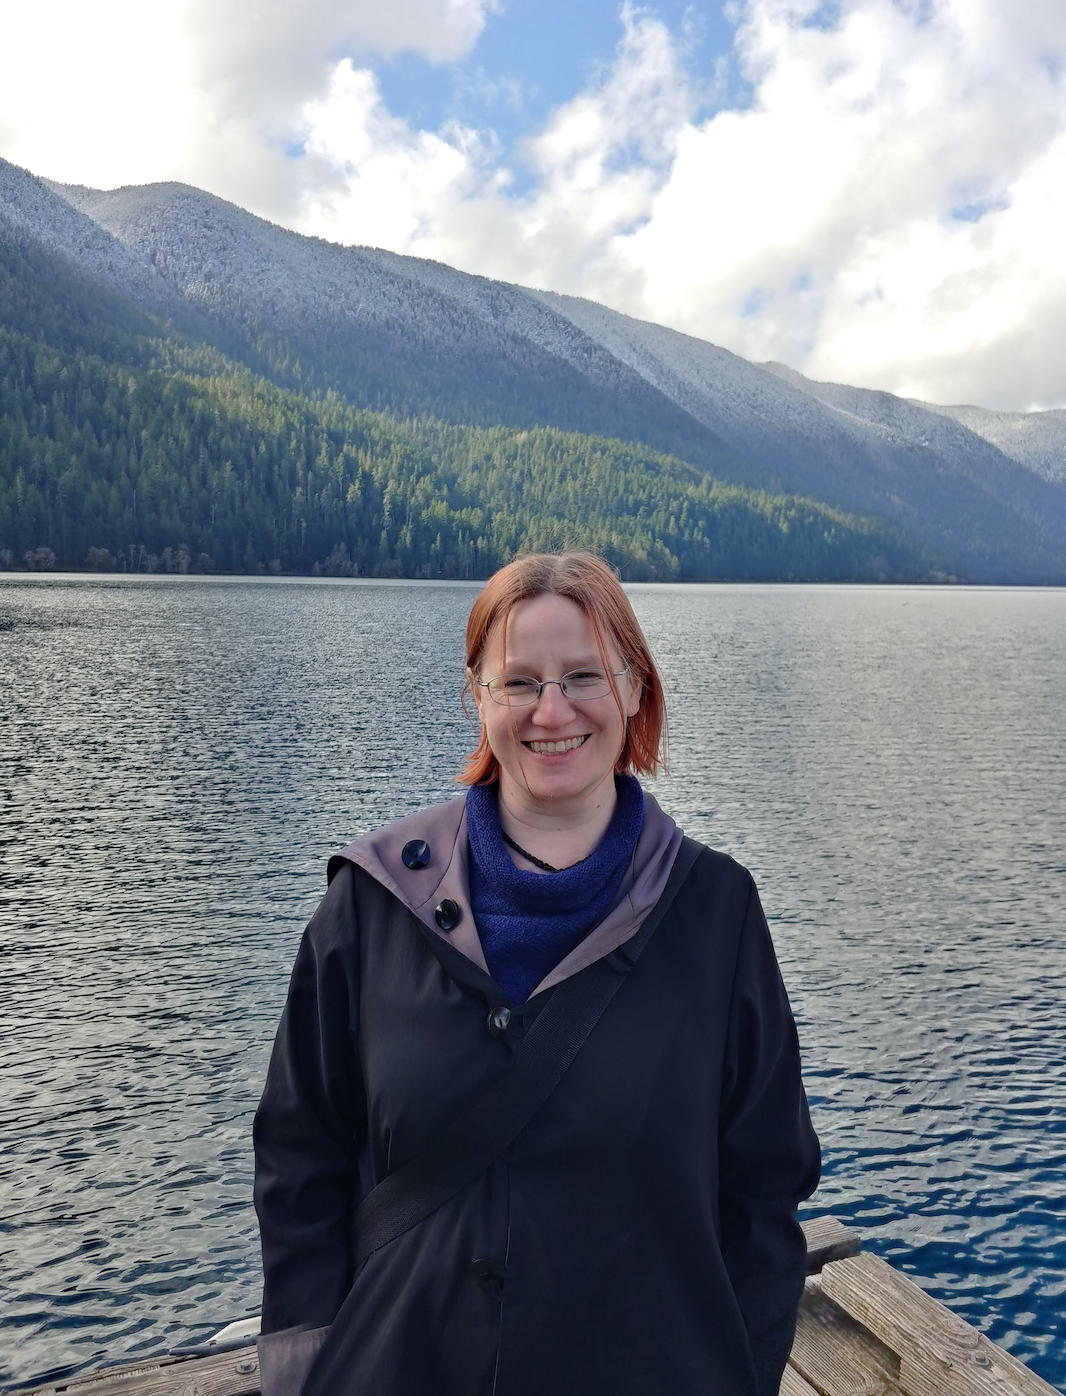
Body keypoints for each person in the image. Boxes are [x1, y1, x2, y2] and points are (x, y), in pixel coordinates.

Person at [253, 551, 820, 1396]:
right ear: (476, 699)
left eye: (584, 675)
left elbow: (765, 1185)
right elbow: (299, 1158)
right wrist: (303, 1370)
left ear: (634, 690)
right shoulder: (372, 907)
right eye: (519, 682)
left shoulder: (715, 911)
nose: (552, 711)